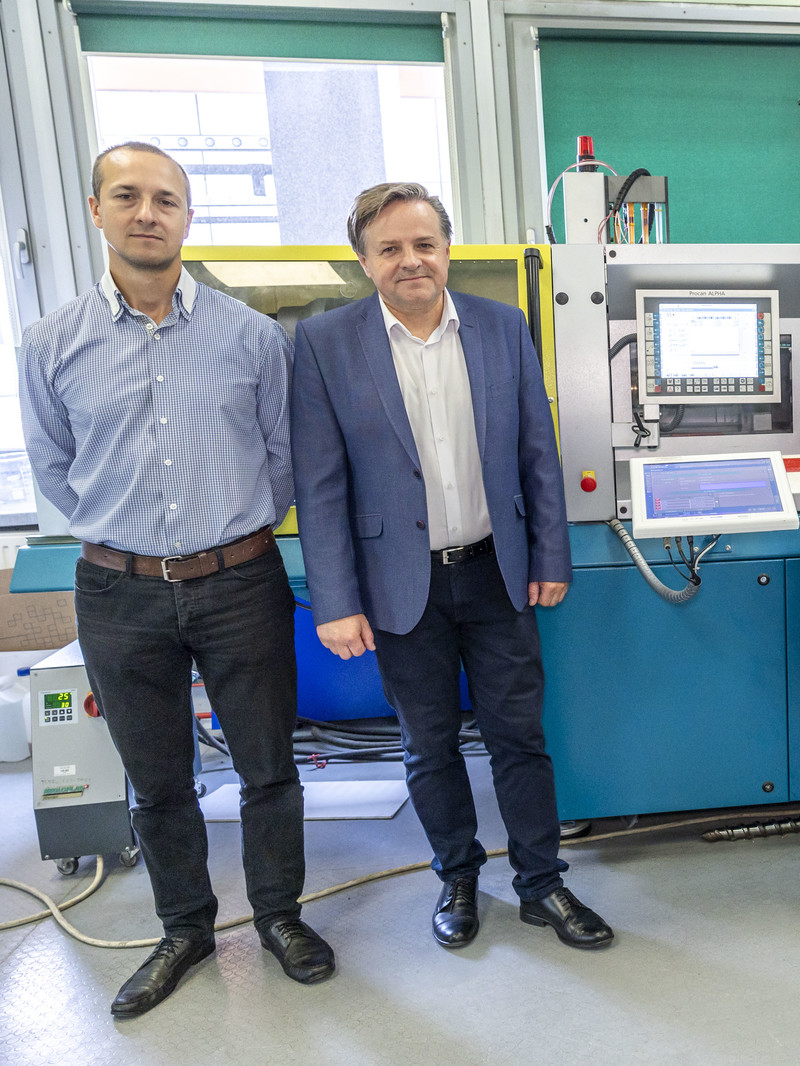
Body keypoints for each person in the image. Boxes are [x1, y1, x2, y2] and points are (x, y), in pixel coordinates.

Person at [17, 143, 333, 1018]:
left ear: (188, 217)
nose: (147, 213)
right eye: (127, 196)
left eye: (165, 199)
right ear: (96, 211)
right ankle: (185, 929)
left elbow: (283, 460)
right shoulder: (50, 343)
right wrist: (130, 533)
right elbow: (54, 465)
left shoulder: (252, 336)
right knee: (156, 781)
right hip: (117, 592)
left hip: (240, 580)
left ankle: (279, 916)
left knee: (268, 768)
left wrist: (225, 535)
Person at [291, 183, 612, 951]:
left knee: (519, 737)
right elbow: (319, 483)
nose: (411, 260)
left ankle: (541, 882)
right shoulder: (325, 343)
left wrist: (550, 553)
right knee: (428, 743)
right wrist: (335, 598)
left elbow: (538, 451)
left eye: (424, 244)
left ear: (447, 249)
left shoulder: (501, 327)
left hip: (498, 572)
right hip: (400, 585)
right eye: (391, 248)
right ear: (364, 260)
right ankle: (457, 877)